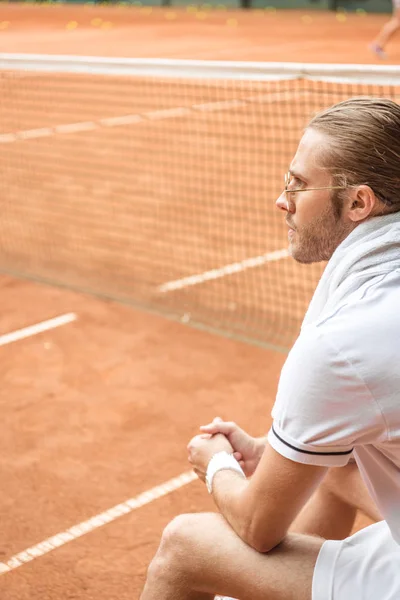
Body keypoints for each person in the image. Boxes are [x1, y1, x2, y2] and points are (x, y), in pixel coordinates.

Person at [139, 97, 400, 600]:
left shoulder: (341, 344)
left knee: (183, 547)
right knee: (334, 468)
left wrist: (216, 464)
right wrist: (271, 454)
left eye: (298, 185)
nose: (283, 200)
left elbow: (259, 525)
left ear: (359, 203)